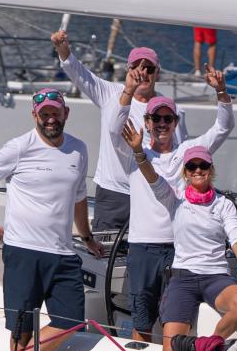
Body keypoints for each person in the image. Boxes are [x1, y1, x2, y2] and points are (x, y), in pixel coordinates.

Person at [0, 89, 105, 351]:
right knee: (20, 330)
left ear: (65, 114)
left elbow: (78, 198)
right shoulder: (20, 147)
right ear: (35, 115)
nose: (50, 118)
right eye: (44, 113)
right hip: (24, 250)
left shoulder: (78, 149)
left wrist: (87, 237)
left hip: (63, 252)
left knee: (71, 321)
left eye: (55, 112)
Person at [122, 130, 237, 351]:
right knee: (169, 348)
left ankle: (204, 346)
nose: (197, 172)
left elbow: (236, 238)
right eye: (192, 168)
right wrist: (139, 151)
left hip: (215, 277)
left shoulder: (223, 205)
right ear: (185, 172)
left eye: (203, 168)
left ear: (211, 171)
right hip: (182, 277)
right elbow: (151, 175)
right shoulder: (174, 198)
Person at [109, 64, 235, 342]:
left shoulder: (189, 153)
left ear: (176, 123)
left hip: (181, 252)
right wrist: (128, 91)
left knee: (176, 325)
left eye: (168, 119)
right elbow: (114, 128)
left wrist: (222, 91)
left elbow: (224, 127)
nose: (162, 124)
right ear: (148, 122)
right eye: (157, 118)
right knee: (142, 322)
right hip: (143, 248)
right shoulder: (133, 153)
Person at [52, 31, 186, 232]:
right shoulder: (109, 93)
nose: (143, 73)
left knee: (146, 254)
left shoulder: (170, 110)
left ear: (157, 72)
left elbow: (180, 154)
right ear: (128, 70)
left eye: (149, 68)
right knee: (106, 256)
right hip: (113, 192)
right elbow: (78, 73)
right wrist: (63, 50)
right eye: (136, 68)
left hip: (150, 193)